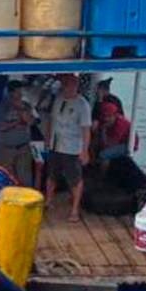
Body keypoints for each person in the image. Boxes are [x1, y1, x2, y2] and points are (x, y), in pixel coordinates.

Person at [44, 73, 92, 222]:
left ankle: (74, 210)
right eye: (65, 84)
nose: (68, 88)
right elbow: (51, 120)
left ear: (76, 86)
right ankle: (48, 200)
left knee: (75, 179)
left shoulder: (82, 104)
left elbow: (86, 129)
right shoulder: (58, 99)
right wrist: (47, 139)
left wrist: (85, 151)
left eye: (71, 85)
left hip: (72, 148)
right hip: (55, 144)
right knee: (51, 175)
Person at [0, 80, 36, 186]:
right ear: (11, 92)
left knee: (25, 177)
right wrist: (16, 122)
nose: (21, 93)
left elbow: (31, 122)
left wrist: (22, 111)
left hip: (23, 148)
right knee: (6, 176)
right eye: (18, 91)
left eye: (22, 90)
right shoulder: (2, 107)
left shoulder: (26, 105)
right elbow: (0, 126)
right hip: (7, 149)